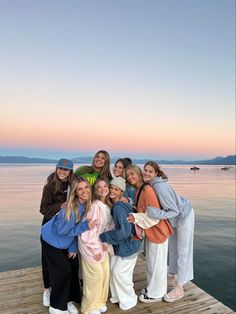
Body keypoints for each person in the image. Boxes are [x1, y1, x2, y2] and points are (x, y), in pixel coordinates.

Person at [41, 176, 95, 314]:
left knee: (73, 266)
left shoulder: (86, 205)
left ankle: (69, 299)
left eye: (86, 187)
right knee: (63, 272)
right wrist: (85, 227)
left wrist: (72, 247)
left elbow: (73, 231)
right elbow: (63, 232)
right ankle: (57, 306)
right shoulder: (71, 208)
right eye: (80, 189)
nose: (84, 191)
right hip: (52, 242)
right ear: (75, 192)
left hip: (64, 243)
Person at [144, 161, 195, 303]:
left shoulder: (159, 187)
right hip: (175, 219)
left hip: (184, 215)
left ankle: (180, 288)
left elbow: (174, 210)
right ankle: (171, 276)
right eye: (145, 170)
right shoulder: (151, 185)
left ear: (156, 173)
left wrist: (154, 213)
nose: (146, 173)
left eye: (150, 171)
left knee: (183, 251)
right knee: (173, 249)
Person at [125, 164, 173, 303]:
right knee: (152, 263)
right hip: (152, 232)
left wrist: (136, 218)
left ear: (139, 174)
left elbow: (154, 215)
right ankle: (153, 288)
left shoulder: (147, 190)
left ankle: (156, 294)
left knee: (157, 264)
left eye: (132, 174)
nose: (130, 177)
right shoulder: (139, 189)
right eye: (128, 175)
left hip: (158, 232)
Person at [100, 177, 142, 311]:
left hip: (128, 245)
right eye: (111, 188)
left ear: (121, 192)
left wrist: (104, 236)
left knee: (120, 273)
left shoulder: (118, 207)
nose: (112, 191)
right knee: (114, 270)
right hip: (125, 244)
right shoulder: (119, 204)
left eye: (116, 189)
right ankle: (118, 297)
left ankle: (129, 299)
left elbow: (123, 232)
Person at [40, 158, 75, 308]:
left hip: (66, 228)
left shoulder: (73, 185)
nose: (62, 172)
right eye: (60, 168)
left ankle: (66, 295)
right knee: (47, 260)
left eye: (65, 170)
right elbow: (43, 209)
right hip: (50, 227)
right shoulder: (50, 186)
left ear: (70, 171)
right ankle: (47, 289)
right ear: (56, 168)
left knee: (67, 263)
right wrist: (60, 206)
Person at [78, 178, 114, 314]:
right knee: (95, 275)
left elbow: (109, 226)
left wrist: (106, 242)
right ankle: (89, 306)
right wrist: (95, 249)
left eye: (105, 186)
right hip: (90, 246)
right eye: (99, 187)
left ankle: (99, 301)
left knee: (105, 274)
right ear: (95, 191)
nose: (103, 189)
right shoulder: (94, 206)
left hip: (102, 244)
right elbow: (89, 231)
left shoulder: (107, 205)